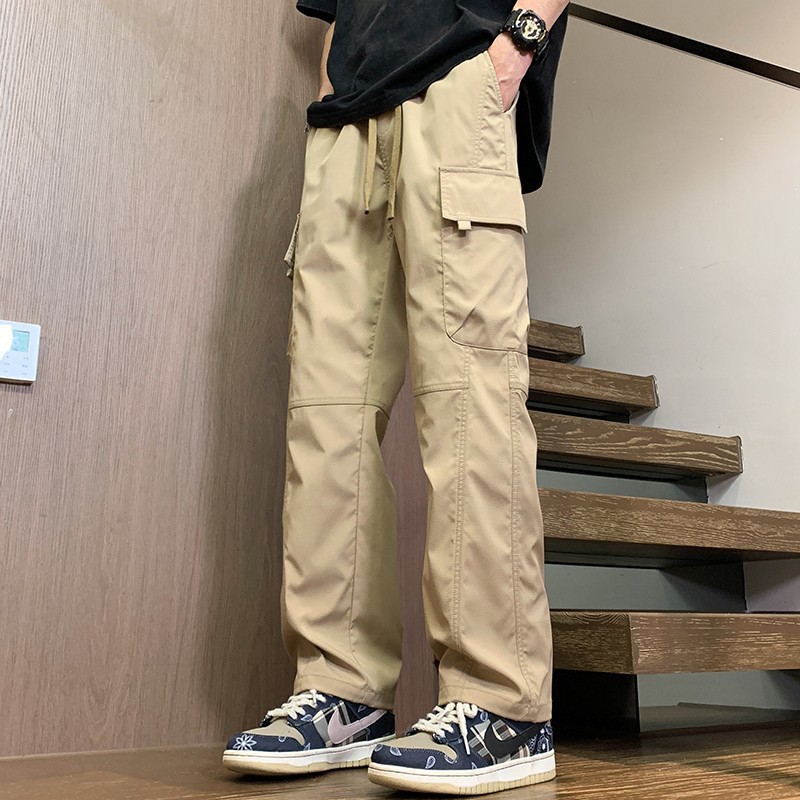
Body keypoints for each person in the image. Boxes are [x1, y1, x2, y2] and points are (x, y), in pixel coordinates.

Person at [223, 0, 570, 794]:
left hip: (461, 84)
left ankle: (503, 702)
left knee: (470, 401)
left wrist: (516, 47)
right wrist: (330, 94)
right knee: (325, 412)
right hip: (347, 119)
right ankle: (339, 688)